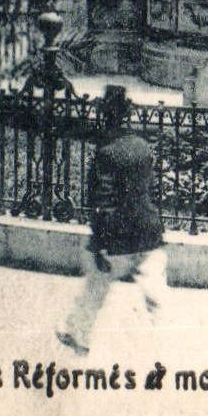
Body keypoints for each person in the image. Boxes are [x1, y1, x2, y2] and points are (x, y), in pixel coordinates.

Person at [57, 85, 165, 356]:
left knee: (96, 283)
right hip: (148, 230)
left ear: (106, 117)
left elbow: (102, 202)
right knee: (154, 291)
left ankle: (77, 334)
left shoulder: (106, 153)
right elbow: (150, 189)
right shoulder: (143, 147)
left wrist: (100, 243)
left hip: (119, 235)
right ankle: (169, 341)